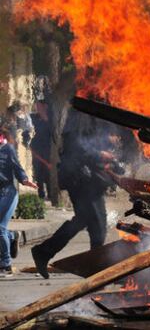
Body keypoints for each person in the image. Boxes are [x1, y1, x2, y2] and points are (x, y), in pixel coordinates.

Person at [31, 111, 122, 278]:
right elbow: (76, 149)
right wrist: (100, 154)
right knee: (98, 227)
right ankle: (95, 271)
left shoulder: (90, 119)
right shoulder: (79, 118)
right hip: (81, 181)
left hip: (88, 182)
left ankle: (44, 252)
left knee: (83, 222)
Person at [0, 122, 37, 275]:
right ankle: (12, 236)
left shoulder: (7, 149)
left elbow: (17, 167)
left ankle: (5, 263)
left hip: (7, 193)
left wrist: (25, 180)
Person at [30, 101, 52, 200]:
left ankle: (51, 195)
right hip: (37, 148)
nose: (37, 108)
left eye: (39, 106)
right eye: (37, 106)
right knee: (38, 173)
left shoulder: (50, 118)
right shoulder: (33, 117)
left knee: (47, 173)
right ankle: (41, 195)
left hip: (47, 149)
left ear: (45, 106)